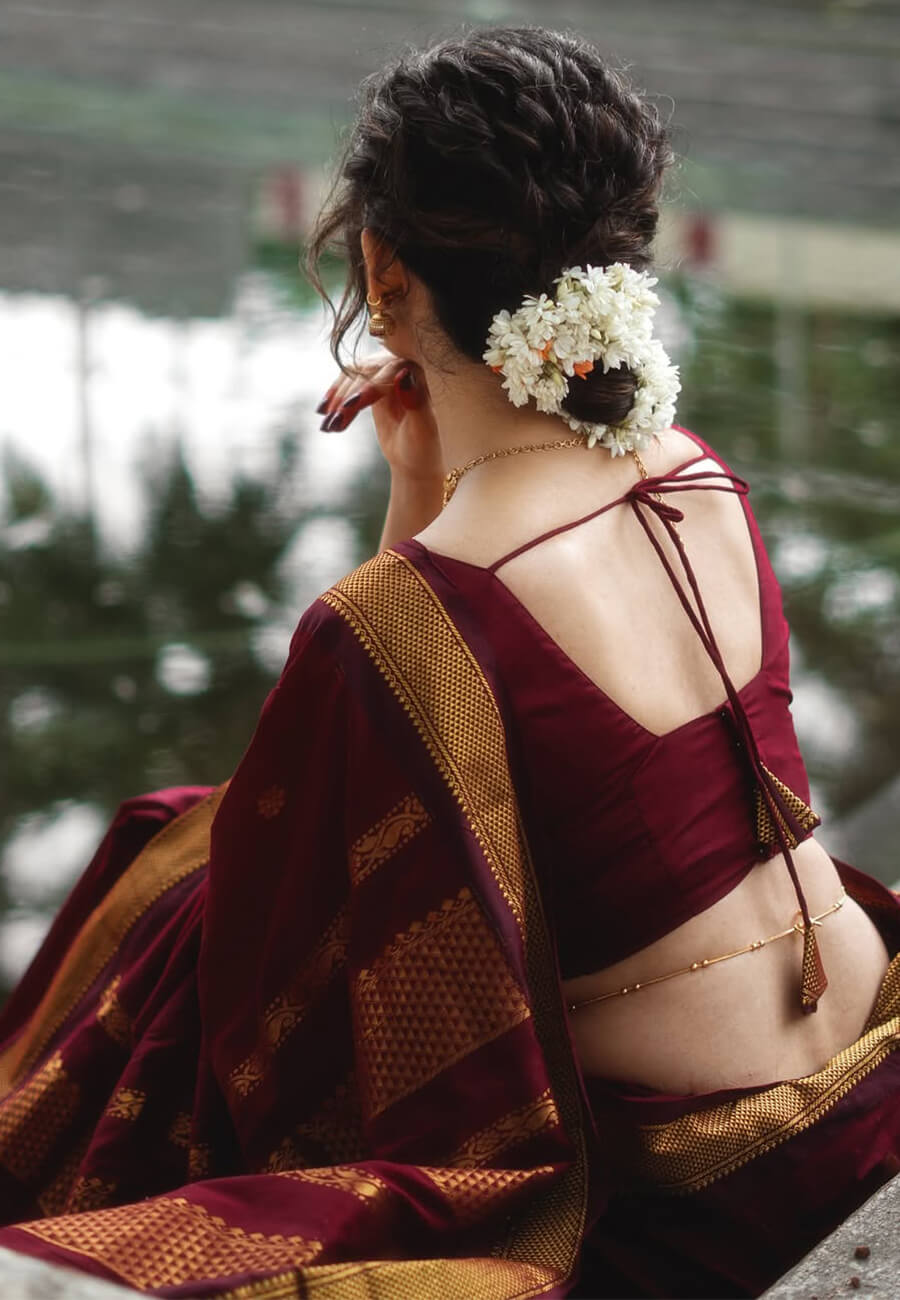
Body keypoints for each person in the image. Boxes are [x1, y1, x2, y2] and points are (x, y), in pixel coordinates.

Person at [0, 25, 897, 1300]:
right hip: (869, 1057)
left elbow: (280, 934)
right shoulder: (698, 475)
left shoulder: (409, 617)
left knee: (168, 900)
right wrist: (420, 490)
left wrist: (408, 536)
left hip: (714, 1185)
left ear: (381, 270)